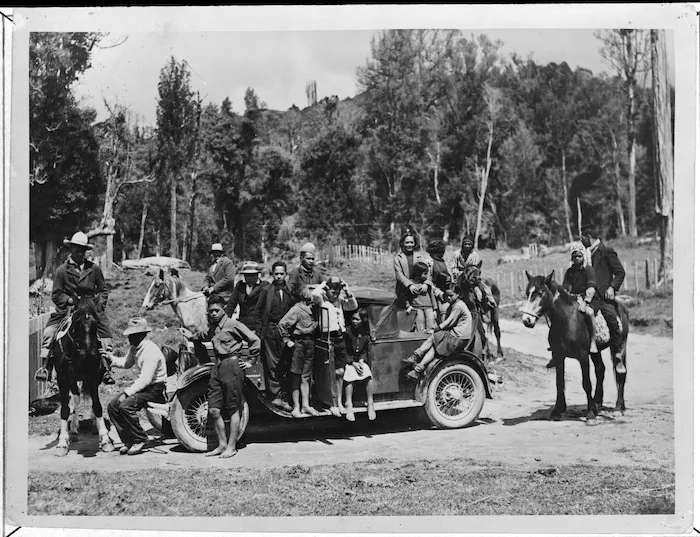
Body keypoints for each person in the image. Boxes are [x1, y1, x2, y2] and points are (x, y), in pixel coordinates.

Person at [181, 294, 260, 458]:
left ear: (224, 309)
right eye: (211, 311)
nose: (214, 314)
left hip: (231, 365)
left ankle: (232, 447)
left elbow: (254, 339)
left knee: (232, 408)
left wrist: (251, 360)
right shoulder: (214, 327)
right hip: (216, 367)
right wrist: (190, 336)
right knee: (214, 409)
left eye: (217, 310)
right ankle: (221, 444)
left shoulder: (233, 324)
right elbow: (205, 336)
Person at [36, 231, 115, 385]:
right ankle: (46, 368)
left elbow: (103, 290)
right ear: (71, 249)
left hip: (90, 309)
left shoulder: (94, 269)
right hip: (68, 310)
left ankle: (107, 370)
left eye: (82, 250)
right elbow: (56, 294)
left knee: (106, 337)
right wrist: (69, 301)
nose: (79, 252)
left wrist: (96, 306)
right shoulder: (62, 271)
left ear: (85, 251)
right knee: (49, 333)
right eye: (76, 249)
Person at [108, 318, 168, 455]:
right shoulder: (135, 348)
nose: (129, 338)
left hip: (155, 387)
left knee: (125, 405)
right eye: (130, 335)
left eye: (133, 335)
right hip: (146, 386)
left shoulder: (150, 351)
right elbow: (126, 363)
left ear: (142, 335)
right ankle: (128, 440)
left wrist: (126, 393)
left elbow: (145, 380)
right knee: (112, 406)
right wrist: (110, 359)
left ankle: (140, 439)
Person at [580, 224, 627, 374]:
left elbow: (620, 272)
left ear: (588, 237)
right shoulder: (584, 253)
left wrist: (612, 287)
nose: (580, 240)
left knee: (612, 320)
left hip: (603, 297)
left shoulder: (606, 251)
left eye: (581, 237)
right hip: (587, 295)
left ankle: (618, 355)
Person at [403, 284, 473, 380]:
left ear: (458, 294)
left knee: (434, 337)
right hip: (456, 336)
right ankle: (417, 369)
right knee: (434, 345)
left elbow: (448, 323)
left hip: (458, 339)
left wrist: (435, 329)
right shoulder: (454, 304)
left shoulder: (458, 306)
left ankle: (416, 356)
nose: (448, 298)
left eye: (451, 295)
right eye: (446, 295)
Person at [312, 276, 358, 416]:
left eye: (337, 291)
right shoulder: (322, 301)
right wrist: (324, 284)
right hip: (328, 339)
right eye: (333, 291)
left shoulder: (340, 301)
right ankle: (332, 404)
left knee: (340, 372)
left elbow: (353, 305)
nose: (335, 294)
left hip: (340, 338)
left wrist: (346, 289)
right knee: (329, 373)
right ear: (327, 290)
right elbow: (314, 294)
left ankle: (338, 401)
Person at [254, 261, 295, 410]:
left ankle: (286, 395)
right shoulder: (266, 290)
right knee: (272, 364)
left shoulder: (290, 291)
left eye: (281, 274)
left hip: (287, 332)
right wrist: (260, 333)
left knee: (286, 363)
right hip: (270, 330)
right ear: (272, 274)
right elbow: (257, 313)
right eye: (276, 274)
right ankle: (275, 396)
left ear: (285, 275)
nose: (278, 276)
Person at [278, 286, 319, 418]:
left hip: (310, 343)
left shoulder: (315, 309)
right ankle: (296, 407)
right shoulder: (297, 309)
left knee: (306, 376)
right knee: (296, 375)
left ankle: (305, 405)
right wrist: (287, 340)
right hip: (299, 343)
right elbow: (282, 324)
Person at [343, 309, 376, 422]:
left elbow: (364, 351)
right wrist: (353, 363)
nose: (354, 322)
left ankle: (370, 403)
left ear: (363, 320)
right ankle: (348, 403)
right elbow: (345, 351)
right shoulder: (347, 332)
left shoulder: (365, 334)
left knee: (367, 373)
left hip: (359, 361)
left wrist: (361, 361)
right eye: (353, 319)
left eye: (357, 319)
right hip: (349, 362)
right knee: (350, 374)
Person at [450, 236, 496, 311]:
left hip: (471, 277)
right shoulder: (456, 254)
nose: (467, 246)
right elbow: (453, 267)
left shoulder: (475, 255)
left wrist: (470, 275)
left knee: (483, 289)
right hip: (459, 276)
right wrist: (458, 274)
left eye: (469, 244)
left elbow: (476, 269)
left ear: (472, 245)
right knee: (451, 291)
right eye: (465, 244)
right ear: (462, 244)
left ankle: (487, 304)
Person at [225, 261, 269, 333]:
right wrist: (225, 322)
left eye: (252, 275)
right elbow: (231, 304)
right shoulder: (240, 286)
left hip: (257, 327)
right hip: (242, 325)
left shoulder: (264, 286)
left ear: (257, 275)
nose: (249, 278)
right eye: (247, 275)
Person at [394, 230, 428, 310]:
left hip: (418, 290)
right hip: (404, 290)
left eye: (411, 242)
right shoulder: (398, 258)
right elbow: (399, 275)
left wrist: (426, 284)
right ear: (403, 243)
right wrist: (410, 285)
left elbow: (426, 272)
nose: (410, 245)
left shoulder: (419, 257)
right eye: (407, 242)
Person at [405, 261, 438, 332]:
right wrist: (408, 306)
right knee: (419, 326)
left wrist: (435, 309)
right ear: (418, 273)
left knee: (431, 325)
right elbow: (405, 296)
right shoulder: (410, 284)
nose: (426, 276)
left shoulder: (427, 284)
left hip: (429, 308)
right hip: (417, 308)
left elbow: (432, 296)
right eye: (425, 274)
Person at [425, 239, 451, 321]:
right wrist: (439, 293)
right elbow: (428, 281)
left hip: (447, 291)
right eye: (437, 252)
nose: (440, 255)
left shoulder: (444, 262)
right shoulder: (428, 262)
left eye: (441, 252)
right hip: (434, 294)